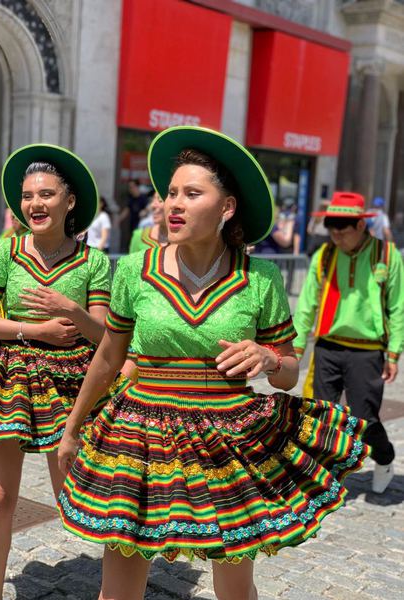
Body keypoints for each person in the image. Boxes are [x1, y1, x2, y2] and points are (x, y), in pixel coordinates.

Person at [57, 127, 369, 600]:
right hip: (140, 435)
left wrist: (268, 357)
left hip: (229, 439)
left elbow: (289, 374)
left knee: (235, 587)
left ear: (227, 207)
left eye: (192, 193)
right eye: (171, 193)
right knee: (118, 587)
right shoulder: (135, 271)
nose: (173, 204)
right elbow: (108, 358)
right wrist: (72, 428)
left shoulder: (260, 278)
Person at [0, 144, 112, 600]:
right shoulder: (4, 252)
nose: (35, 204)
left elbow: (104, 334)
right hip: (10, 380)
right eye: (27, 196)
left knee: (78, 495)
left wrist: (70, 310)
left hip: (71, 386)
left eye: (46, 194)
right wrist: (36, 330)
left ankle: (115, 585)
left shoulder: (95, 262)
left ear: (69, 201)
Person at [293, 191, 404, 495]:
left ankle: (384, 459)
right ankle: (323, 474)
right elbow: (306, 305)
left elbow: (398, 307)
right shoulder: (325, 255)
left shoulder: (386, 255)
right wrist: (297, 347)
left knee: (364, 420)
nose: (336, 235)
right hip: (327, 347)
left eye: (343, 229)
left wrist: (393, 353)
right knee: (321, 415)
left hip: (367, 350)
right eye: (331, 228)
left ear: (360, 226)